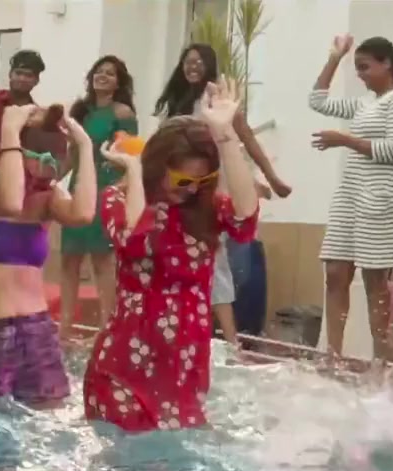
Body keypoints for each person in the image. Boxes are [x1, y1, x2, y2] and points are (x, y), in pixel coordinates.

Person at [84, 81, 260, 432]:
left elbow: (246, 216)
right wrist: (134, 170)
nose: (192, 189)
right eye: (182, 180)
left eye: (202, 180)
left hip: (185, 372)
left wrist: (225, 134)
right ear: (157, 166)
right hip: (123, 373)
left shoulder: (205, 209)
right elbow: (133, 238)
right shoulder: (117, 199)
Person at [0, 93, 97, 411]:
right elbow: (10, 203)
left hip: (36, 330)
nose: (48, 172)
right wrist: (11, 131)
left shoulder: (47, 198)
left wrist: (85, 147)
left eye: (55, 163)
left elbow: (83, 214)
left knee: (48, 422)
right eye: (42, 161)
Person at [153, 43, 282, 348]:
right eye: (188, 61)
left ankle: (231, 340)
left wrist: (271, 178)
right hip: (174, 190)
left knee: (216, 257)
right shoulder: (176, 102)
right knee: (180, 257)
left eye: (199, 62)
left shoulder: (215, 98)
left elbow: (244, 136)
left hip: (208, 185)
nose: (193, 66)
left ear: (210, 65)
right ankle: (181, 333)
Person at [308, 35, 393, 360]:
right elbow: (317, 100)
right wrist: (335, 57)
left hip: (382, 198)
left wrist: (345, 140)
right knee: (335, 272)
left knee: (374, 279)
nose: (360, 74)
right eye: (357, 68)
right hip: (351, 195)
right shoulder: (364, 103)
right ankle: (333, 355)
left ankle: (379, 357)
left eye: (365, 67)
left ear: (387, 64)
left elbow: (392, 149)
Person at [59, 55, 138, 343]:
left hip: (105, 190)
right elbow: (72, 155)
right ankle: (64, 329)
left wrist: (119, 189)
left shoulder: (123, 114)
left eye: (110, 73)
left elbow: (130, 156)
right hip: (79, 190)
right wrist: (50, 179)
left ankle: (107, 330)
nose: (102, 76)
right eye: (99, 71)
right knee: (69, 260)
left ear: (119, 83)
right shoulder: (81, 111)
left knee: (102, 261)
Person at [0, 50, 45, 167]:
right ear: (10, 74)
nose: (22, 78)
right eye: (18, 73)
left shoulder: (36, 116)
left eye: (28, 75)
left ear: (36, 81)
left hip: (14, 173)